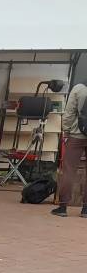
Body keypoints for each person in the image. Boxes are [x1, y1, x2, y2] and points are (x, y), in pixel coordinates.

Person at [50, 80, 87, 218]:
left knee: (69, 170)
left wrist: (66, 130)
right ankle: (86, 209)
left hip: (77, 134)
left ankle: (63, 207)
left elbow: (69, 112)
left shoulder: (79, 88)